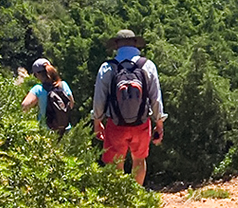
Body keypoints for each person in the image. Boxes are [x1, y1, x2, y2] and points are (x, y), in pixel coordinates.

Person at [91, 29, 165, 185]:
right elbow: (156, 98)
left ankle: (119, 201)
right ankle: (136, 197)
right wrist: (159, 123)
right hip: (142, 124)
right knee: (139, 160)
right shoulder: (148, 65)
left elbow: (99, 99)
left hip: (116, 124)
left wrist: (97, 122)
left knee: (115, 163)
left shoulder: (107, 67)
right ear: (135, 44)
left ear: (116, 45)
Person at [21, 57, 75, 132]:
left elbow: (24, 105)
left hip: (46, 132)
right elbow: (71, 104)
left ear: (37, 74)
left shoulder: (38, 89)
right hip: (65, 129)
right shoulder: (63, 85)